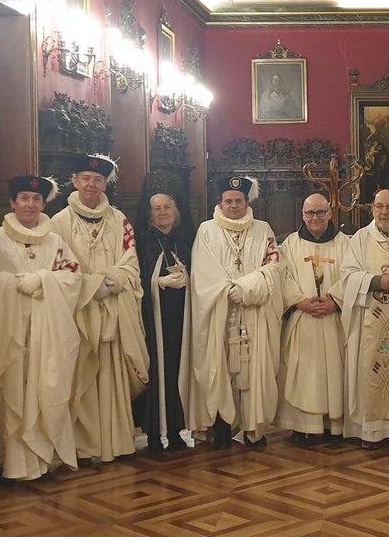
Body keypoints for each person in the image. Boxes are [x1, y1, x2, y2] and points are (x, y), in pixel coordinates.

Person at [48, 154, 149, 466]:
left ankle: (117, 441)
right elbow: (59, 268)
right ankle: (85, 447)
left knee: (114, 375)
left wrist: (110, 284)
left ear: (106, 184)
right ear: (75, 181)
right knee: (83, 378)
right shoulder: (58, 223)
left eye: (98, 180)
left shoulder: (120, 221)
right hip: (80, 313)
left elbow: (130, 264)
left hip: (116, 309)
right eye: (85, 179)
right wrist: (92, 286)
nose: (92, 185)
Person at [0, 175, 82, 484]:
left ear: (43, 204)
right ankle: (11, 464)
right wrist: (12, 283)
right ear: (12, 202)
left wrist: (42, 279)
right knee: (10, 392)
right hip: (7, 330)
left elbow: (73, 276)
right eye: (24, 198)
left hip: (44, 330)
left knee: (43, 389)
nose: (30, 205)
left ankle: (39, 461)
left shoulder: (54, 240)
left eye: (37, 200)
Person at [191, 176, 283, 448]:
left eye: (238, 201)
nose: (233, 206)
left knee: (255, 369)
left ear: (247, 202)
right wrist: (226, 292)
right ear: (219, 202)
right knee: (219, 368)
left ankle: (254, 428)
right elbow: (201, 272)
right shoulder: (207, 230)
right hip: (220, 313)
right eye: (228, 201)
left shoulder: (263, 229)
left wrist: (245, 289)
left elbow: (274, 267)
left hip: (254, 313)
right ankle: (222, 428)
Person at [339, 189, 389, 448]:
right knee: (370, 370)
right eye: (379, 207)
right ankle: (371, 432)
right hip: (369, 319)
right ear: (371, 209)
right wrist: (378, 281)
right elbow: (347, 277)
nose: (384, 212)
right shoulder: (360, 239)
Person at [277, 193, 349, 443]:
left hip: (334, 320)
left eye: (320, 212)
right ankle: (303, 426)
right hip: (302, 318)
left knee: (335, 371)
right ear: (303, 215)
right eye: (310, 213)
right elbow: (281, 277)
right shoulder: (290, 245)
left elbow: (351, 276)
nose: (315, 217)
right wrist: (300, 301)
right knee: (303, 372)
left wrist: (335, 301)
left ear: (330, 214)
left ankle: (334, 426)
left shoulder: (346, 244)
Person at [137, 193, 195, 454]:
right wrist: (157, 282)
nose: (162, 213)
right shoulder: (144, 243)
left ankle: (174, 431)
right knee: (156, 373)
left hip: (181, 320)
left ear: (176, 211)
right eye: (156, 209)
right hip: (153, 321)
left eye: (167, 208)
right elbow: (137, 278)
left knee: (176, 374)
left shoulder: (185, 241)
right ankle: (153, 434)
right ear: (149, 215)